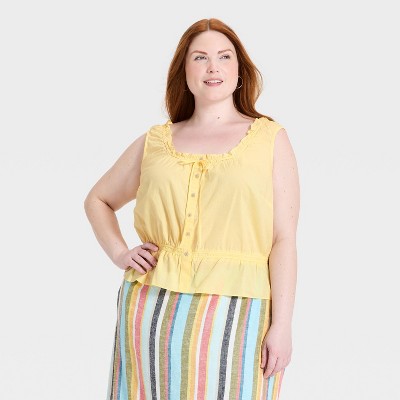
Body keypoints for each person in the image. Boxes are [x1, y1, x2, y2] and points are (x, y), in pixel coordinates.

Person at [84, 17, 299, 400]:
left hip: (240, 312)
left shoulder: (270, 139)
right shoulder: (155, 142)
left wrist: (281, 325)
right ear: (184, 72)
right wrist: (120, 253)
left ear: (240, 70)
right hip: (151, 309)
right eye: (200, 57)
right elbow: (98, 200)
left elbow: (283, 238)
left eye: (224, 56)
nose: (213, 66)